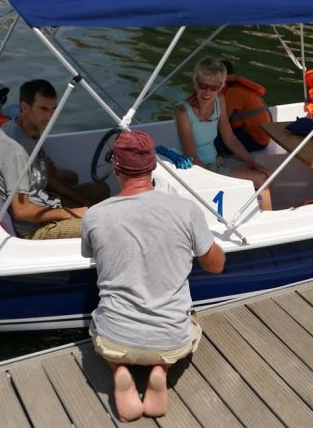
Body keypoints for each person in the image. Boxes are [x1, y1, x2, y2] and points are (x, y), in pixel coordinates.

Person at [82, 130, 225, 422]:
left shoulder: (94, 216)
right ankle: (161, 369)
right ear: (154, 166)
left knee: (100, 331)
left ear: (115, 167)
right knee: (187, 327)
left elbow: (91, 254)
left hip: (116, 338)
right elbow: (215, 265)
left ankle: (120, 370)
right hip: (170, 338)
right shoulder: (185, 210)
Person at [0, 79, 109, 239]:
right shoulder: (16, 152)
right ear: (24, 108)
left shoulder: (31, 129)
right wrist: (70, 213)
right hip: (34, 228)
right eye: (43, 109)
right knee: (102, 222)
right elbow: (21, 211)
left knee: (101, 189)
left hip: (46, 200)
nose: (50, 116)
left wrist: (84, 201)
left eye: (53, 109)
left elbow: (47, 177)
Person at [174, 57, 272, 211]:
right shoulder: (183, 112)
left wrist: (252, 163)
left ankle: (257, 218)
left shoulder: (219, 100)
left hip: (215, 161)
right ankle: (265, 221)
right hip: (199, 168)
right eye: (203, 86)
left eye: (214, 87)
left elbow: (230, 139)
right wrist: (217, 180)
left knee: (266, 174)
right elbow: (192, 157)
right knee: (261, 180)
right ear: (195, 83)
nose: (208, 92)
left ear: (221, 87)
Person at [214, 60, 272, 156]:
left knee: (211, 142)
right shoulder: (237, 87)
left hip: (256, 140)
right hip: (258, 134)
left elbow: (222, 121)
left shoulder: (234, 92)